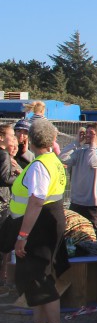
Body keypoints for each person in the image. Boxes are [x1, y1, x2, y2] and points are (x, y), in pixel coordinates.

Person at [6, 119, 69, 323]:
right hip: (47, 221)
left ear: (31, 141)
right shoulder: (53, 160)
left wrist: (23, 235)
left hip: (39, 224)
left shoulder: (40, 165)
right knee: (31, 276)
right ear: (53, 140)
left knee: (41, 276)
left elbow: (36, 201)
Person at [60, 123, 97, 230]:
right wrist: (76, 142)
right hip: (76, 203)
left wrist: (93, 145)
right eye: (86, 133)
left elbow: (94, 163)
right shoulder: (80, 152)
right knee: (73, 234)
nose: (87, 135)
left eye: (91, 133)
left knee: (94, 236)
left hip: (94, 205)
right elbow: (62, 158)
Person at [0, 123, 20, 295]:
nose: (13, 138)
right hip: (2, 204)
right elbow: (5, 178)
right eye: (11, 135)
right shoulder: (3, 155)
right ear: (1, 138)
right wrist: (20, 176)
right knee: (4, 244)